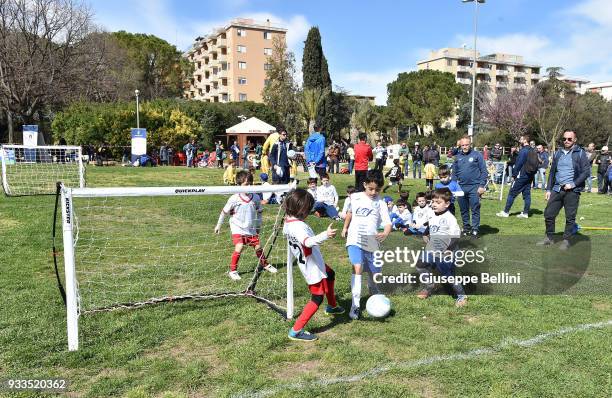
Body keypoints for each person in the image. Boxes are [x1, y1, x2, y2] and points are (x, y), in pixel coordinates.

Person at [283, 189, 344, 342]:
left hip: (313, 261)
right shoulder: (299, 227)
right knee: (317, 298)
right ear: (301, 209)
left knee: (330, 274)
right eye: (308, 209)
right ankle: (296, 331)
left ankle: (332, 306)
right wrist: (325, 235)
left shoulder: (288, 221)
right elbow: (307, 242)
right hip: (311, 267)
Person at [341, 170, 391, 320]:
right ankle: (355, 305)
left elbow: (388, 222)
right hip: (354, 238)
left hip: (371, 241)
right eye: (370, 189)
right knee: (357, 267)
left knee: (374, 273)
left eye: (377, 189)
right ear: (364, 185)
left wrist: (386, 233)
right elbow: (350, 213)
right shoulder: (355, 197)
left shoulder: (380, 203)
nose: (373, 192)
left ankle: (375, 294)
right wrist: (345, 227)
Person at [214, 171, 278, 280]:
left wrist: (258, 226)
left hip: (250, 227)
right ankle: (233, 271)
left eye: (250, 183)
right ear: (239, 185)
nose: (248, 186)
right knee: (240, 246)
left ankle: (265, 264)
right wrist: (218, 226)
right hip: (237, 226)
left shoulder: (256, 197)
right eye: (245, 184)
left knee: (258, 247)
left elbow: (259, 212)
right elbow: (224, 212)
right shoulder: (234, 198)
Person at [537, 130, 590, 250]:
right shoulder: (558, 153)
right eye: (564, 139)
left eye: (569, 139)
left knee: (570, 217)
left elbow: (586, 172)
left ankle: (566, 240)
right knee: (549, 214)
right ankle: (549, 238)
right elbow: (552, 172)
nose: (566, 141)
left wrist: (573, 184)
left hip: (572, 191)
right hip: (556, 189)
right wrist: (549, 189)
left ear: (575, 140)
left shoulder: (580, 153)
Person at [415, 188, 467, 307]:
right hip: (432, 248)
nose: (433, 205)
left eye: (438, 203)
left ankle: (461, 295)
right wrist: (425, 233)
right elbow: (431, 224)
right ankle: (430, 286)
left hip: (447, 251)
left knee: (448, 276)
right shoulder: (431, 213)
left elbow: (455, 236)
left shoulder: (450, 219)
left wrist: (448, 250)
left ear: (447, 204)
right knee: (420, 265)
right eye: (432, 201)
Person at [452, 136, 488, 238]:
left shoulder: (477, 155)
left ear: (470, 144)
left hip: (475, 187)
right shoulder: (458, 157)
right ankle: (466, 228)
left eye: (467, 145)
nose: (465, 147)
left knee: (475, 208)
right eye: (463, 145)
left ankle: (475, 229)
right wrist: (454, 186)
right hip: (461, 187)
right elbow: (454, 174)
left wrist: (481, 185)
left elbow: (484, 171)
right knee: (463, 210)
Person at [497, 135, 539, 219]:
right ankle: (526, 213)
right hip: (529, 175)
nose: (519, 140)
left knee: (512, 193)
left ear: (524, 140)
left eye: (521, 139)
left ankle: (505, 212)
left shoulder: (523, 151)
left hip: (522, 175)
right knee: (527, 194)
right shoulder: (532, 149)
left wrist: (514, 175)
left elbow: (518, 164)